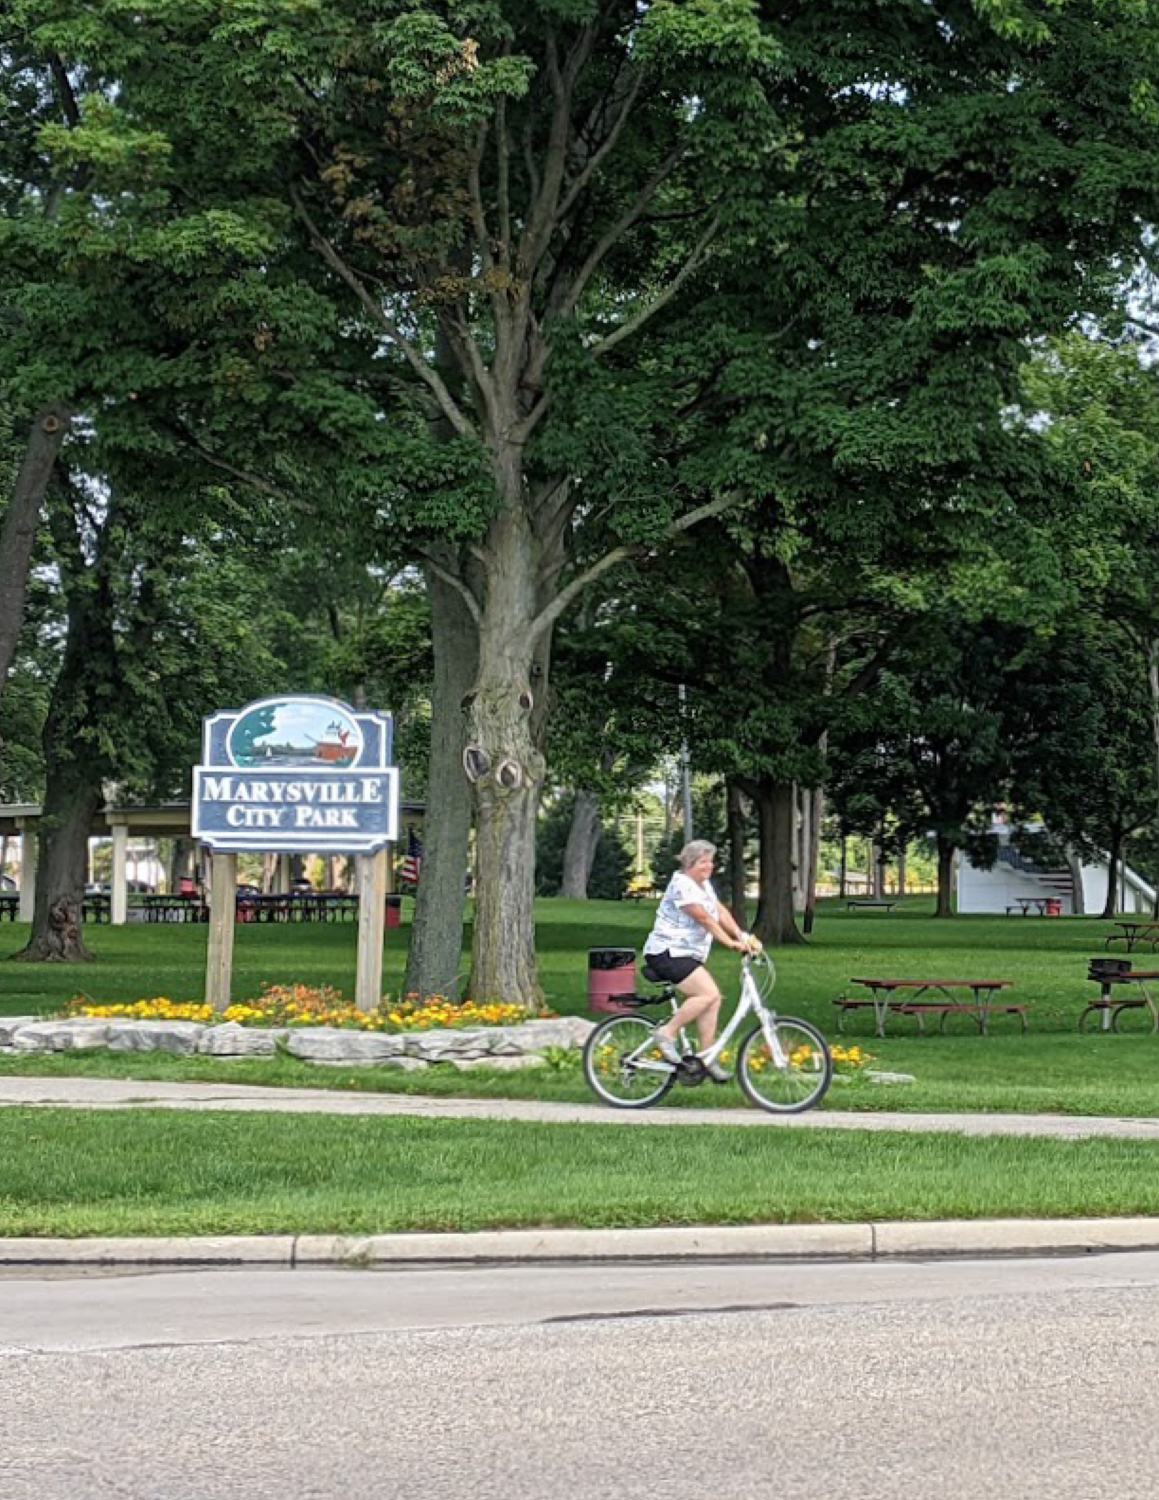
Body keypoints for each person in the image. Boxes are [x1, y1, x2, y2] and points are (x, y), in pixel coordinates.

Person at [643, 839, 761, 1083]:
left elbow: (718, 911)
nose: (709, 866)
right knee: (706, 994)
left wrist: (741, 935)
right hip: (667, 952)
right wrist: (730, 944)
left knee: (713, 998)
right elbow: (703, 918)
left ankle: (707, 1058)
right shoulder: (682, 885)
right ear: (689, 864)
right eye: (703, 862)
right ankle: (666, 1033)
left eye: (710, 861)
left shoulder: (703, 884)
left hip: (685, 954)